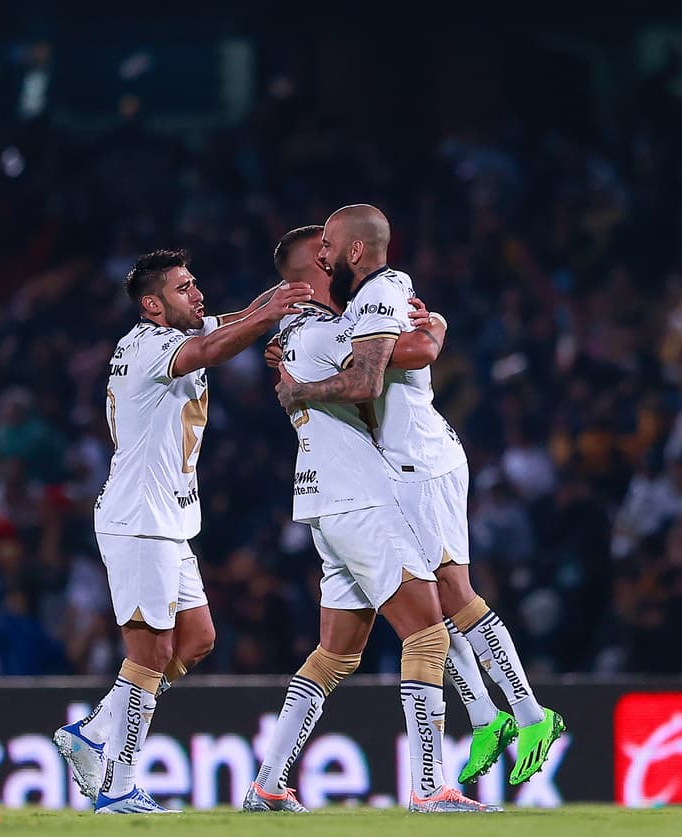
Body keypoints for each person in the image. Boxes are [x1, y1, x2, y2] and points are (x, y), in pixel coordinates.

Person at [278, 206, 564, 787]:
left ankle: (533, 715)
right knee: (429, 602)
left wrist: (430, 331)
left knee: (453, 594)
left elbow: (385, 366)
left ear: (352, 252)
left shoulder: (383, 290)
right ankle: (486, 716)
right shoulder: (351, 307)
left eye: (331, 243)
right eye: (320, 248)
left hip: (422, 463)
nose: (327, 253)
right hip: (397, 467)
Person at [52, 250, 313, 814]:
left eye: (196, 283)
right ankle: (117, 786)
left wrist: (291, 290)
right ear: (153, 305)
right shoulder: (149, 345)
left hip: (169, 520)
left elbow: (235, 319)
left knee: (197, 639)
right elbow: (212, 347)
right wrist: (267, 318)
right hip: (139, 519)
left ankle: (95, 729)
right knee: (150, 652)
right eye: (183, 288)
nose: (198, 294)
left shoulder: (180, 332)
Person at [251, 225, 495, 814]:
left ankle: (268, 782)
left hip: (330, 501)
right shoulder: (317, 333)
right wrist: (433, 327)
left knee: (335, 655)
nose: (335, 257)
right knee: (429, 633)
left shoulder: (297, 334)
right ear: (310, 267)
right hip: (357, 501)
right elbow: (389, 359)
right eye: (325, 251)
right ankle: (430, 787)